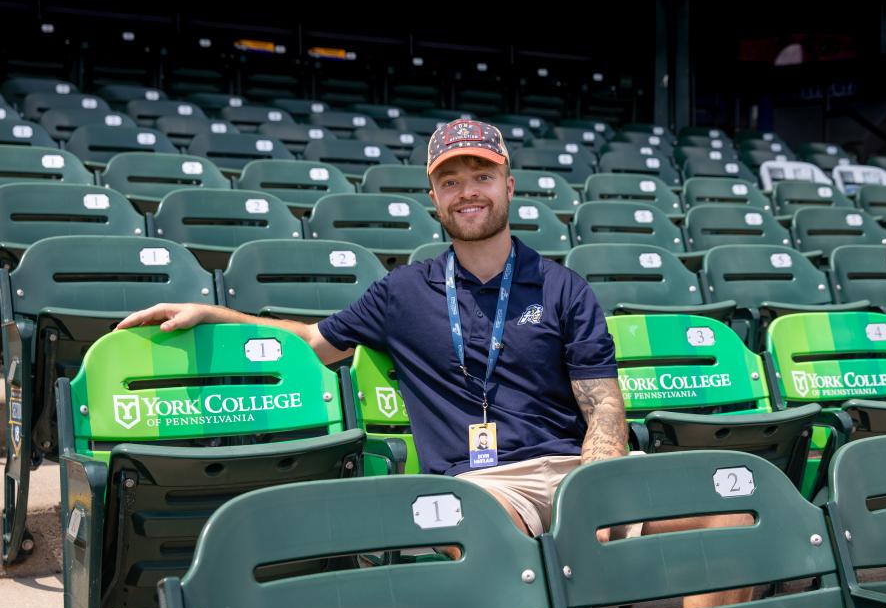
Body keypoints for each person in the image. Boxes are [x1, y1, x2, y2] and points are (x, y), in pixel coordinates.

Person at [117, 118, 628, 542]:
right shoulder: (402, 292)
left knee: (707, 514)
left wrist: (597, 487)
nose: (468, 192)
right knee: (490, 542)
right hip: (482, 487)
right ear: (434, 197)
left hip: (572, 469)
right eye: (450, 182)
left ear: (508, 186)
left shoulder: (562, 287)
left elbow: (602, 403)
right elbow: (315, 343)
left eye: (483, 176)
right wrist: (215, 313)